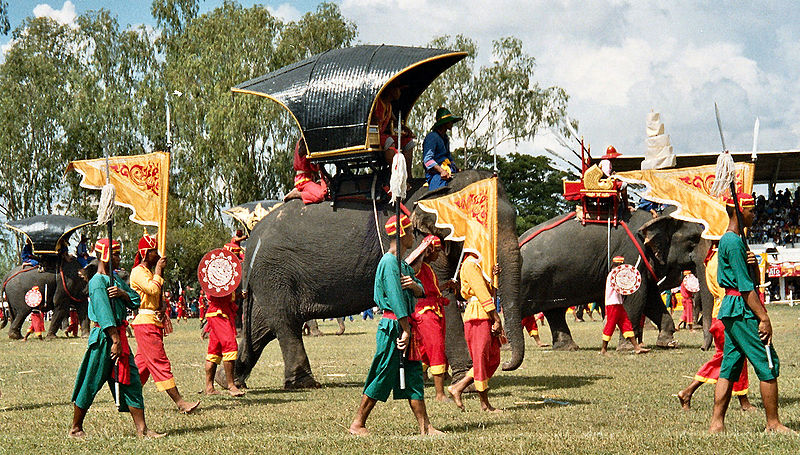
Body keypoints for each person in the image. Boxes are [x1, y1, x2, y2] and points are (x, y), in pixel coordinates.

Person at [349, 214, 442, 436]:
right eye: (410, 232)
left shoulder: (401, 263)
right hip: (394, 327)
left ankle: (425, 426)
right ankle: (358, 423)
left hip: (405, 326)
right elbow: (395, 297)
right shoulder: (389, 262)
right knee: (383, 373)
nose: (413, 236)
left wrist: (415, 286)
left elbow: (418, 287)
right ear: (402, 235)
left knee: (413, 375)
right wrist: (406, 329)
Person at [709, 193, 791, 434]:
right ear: (738, 211)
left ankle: (717, 423)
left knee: (730, 366)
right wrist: (764, 318)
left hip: (732, 308)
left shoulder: (733, 241)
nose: (754, 214)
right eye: (751, 210)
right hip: (742, 308)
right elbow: (746, 288)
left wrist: (753, 264)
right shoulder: (733, 242)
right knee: (767, 362)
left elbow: (750, 280)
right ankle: (773, 423)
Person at [69, 239, 164, 439]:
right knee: (91, 381)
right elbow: (104, 314)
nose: (118, 258)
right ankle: (76, 427)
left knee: (131, 380)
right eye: (115, 254)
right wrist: (115, 340)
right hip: (105, 339)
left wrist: (122, 294)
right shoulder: (97, 282)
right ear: (104, 255)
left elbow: (136, 300)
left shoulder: (116, 280)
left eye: (118, 254)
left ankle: (142, 430)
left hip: (119, 337)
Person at [130, 234, 199, 414]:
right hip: (145, 323)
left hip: (153, 321)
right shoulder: (138, 271)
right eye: (154, 252)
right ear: (145, 253)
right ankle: (180, 403)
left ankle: (126, 398)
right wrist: (159, 270)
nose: (159, 256)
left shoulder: (149, 273)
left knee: (142, 367)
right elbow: (152, 288)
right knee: (160, 362)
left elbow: (155, 296)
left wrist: (160, 307)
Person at [447, 252, 504, 412]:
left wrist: (493, 279)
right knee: (481, 360)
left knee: (493, 358)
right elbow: (481, 293)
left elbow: (489, 292)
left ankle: (458, 387)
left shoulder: (479, 266)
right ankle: (485, 404)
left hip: (486, 314)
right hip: (478, 316)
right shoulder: (470, 264)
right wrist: (496, 318)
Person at [409, 235, 451, 401]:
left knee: (427, 350)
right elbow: (411, 265)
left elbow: (430, 290)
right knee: (436, 347)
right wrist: (423, 250)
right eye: (437, 251)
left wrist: (446, 286)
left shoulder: (428, 268)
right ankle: (440, 394)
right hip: (425, 312)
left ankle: (418, 381)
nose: (439, 255)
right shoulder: (418, 266)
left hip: (435, 310)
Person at [599, 256, 650, 356]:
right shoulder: (613, 275)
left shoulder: (618, 275)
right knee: (610, 325)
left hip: (619, 303)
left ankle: (636, 347)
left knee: (626, 324)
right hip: (612, 304)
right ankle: (603, 350)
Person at [203, 290, 245, 397]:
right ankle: (231, 385)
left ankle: (209, 387)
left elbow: (228, 296)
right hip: (218, 314)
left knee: (214, 351)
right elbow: (217, 295)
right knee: (230, 345)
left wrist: (239, 295)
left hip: (221, 313)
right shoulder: (215, 280)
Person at [371, 84, 416, 174]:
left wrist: (407, 130)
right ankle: (396, 174)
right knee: (389, 140)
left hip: (381, 136)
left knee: (409, 142)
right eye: (398, 89)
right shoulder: (377, 103)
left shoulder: (389, 106)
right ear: (391, 90)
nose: (400, 93)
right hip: (373, 136)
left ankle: (408, 175)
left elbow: (395, 122)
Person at [422, 107, 461, 191]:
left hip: (448, 169)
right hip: (436, 173)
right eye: (450, 121)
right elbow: (427, 160)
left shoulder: (445, 138)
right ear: (444, 123)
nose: (452, 123)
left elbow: (449, 157)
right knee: (438, 194)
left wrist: (457, 168)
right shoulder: (432, 137)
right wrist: (441, 171)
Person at [286, 138, 327, 204]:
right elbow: (313, 167)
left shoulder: (304, 140)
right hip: (304, 180)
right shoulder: (307, 141)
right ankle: (297, 194)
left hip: (306, 179)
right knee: (321, 195)